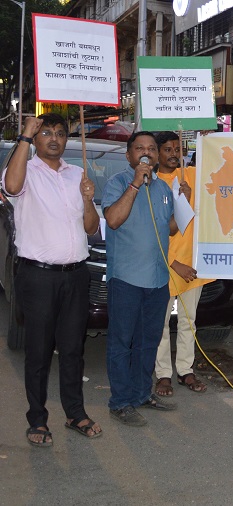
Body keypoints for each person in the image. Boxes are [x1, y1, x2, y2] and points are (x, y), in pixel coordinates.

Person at [3, 114, 101, 446]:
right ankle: (37, 419)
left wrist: (87, 199)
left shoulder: (77, 174)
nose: (54, 138)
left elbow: (91, 227)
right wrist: (25, 135)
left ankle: (75, 413)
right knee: (39, 351)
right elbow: (11, 187)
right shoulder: (25, 170)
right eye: (46, 133)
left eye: (60, 133)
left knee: (73, 349)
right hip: (38, 276)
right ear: (36, 138)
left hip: (76, 276)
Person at [103, 131, 182, 427]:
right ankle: (120, 402)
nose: (146, 152)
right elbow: (113, 219)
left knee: (149, 342)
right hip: (126, 278)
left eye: (151, 148)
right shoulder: (118, 183)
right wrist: (136, 183)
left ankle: (140, 394)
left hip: (157, 279)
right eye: (140, 148)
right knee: (122, 343)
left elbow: (169, 229)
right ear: (129, 155)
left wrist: (183, 203)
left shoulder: (163, 188)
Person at [153, 131, 210, 397]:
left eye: (178, 149)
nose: (174, 154)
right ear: (157, 153)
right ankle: (163, 374)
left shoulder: (192, 175)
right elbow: (152, 233)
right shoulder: (152, 184)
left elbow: (216, 165)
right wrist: (174, 264)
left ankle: (186, 370)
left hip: (193, 265)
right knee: (161, 324)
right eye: (167, 149)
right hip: (165, 265)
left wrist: (208, 139)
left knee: (189, 321)